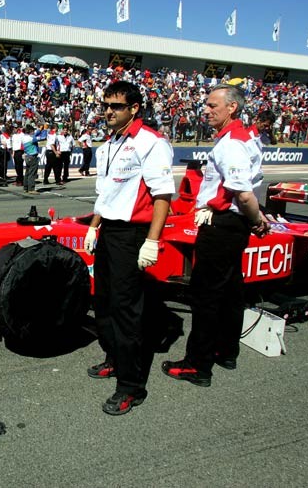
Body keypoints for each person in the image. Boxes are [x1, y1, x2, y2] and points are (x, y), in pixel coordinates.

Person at [161, 84, 268, 388]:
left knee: (205, 296)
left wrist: (257, 218)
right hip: (232, 225)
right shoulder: (245, 137)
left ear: (231, 107)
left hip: (222, 224)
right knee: (231, 289)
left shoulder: (232, 142)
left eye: (211, 105)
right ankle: (226, 351)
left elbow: (244, 194)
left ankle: (198, 365)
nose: (205, 110)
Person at [82, 81, 175, 416]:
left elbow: (163, 195)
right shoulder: (109, 144)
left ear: (134, 108)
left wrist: (152, 240)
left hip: (133, 234)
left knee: (126, 311)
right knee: (103, 303)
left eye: (116, 106)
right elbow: (105, 194)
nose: (108, 110)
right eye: (106, 104)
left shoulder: (151, 142)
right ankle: (113, 358)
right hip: (109, 231)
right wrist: (94, 227)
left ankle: (131, 386)